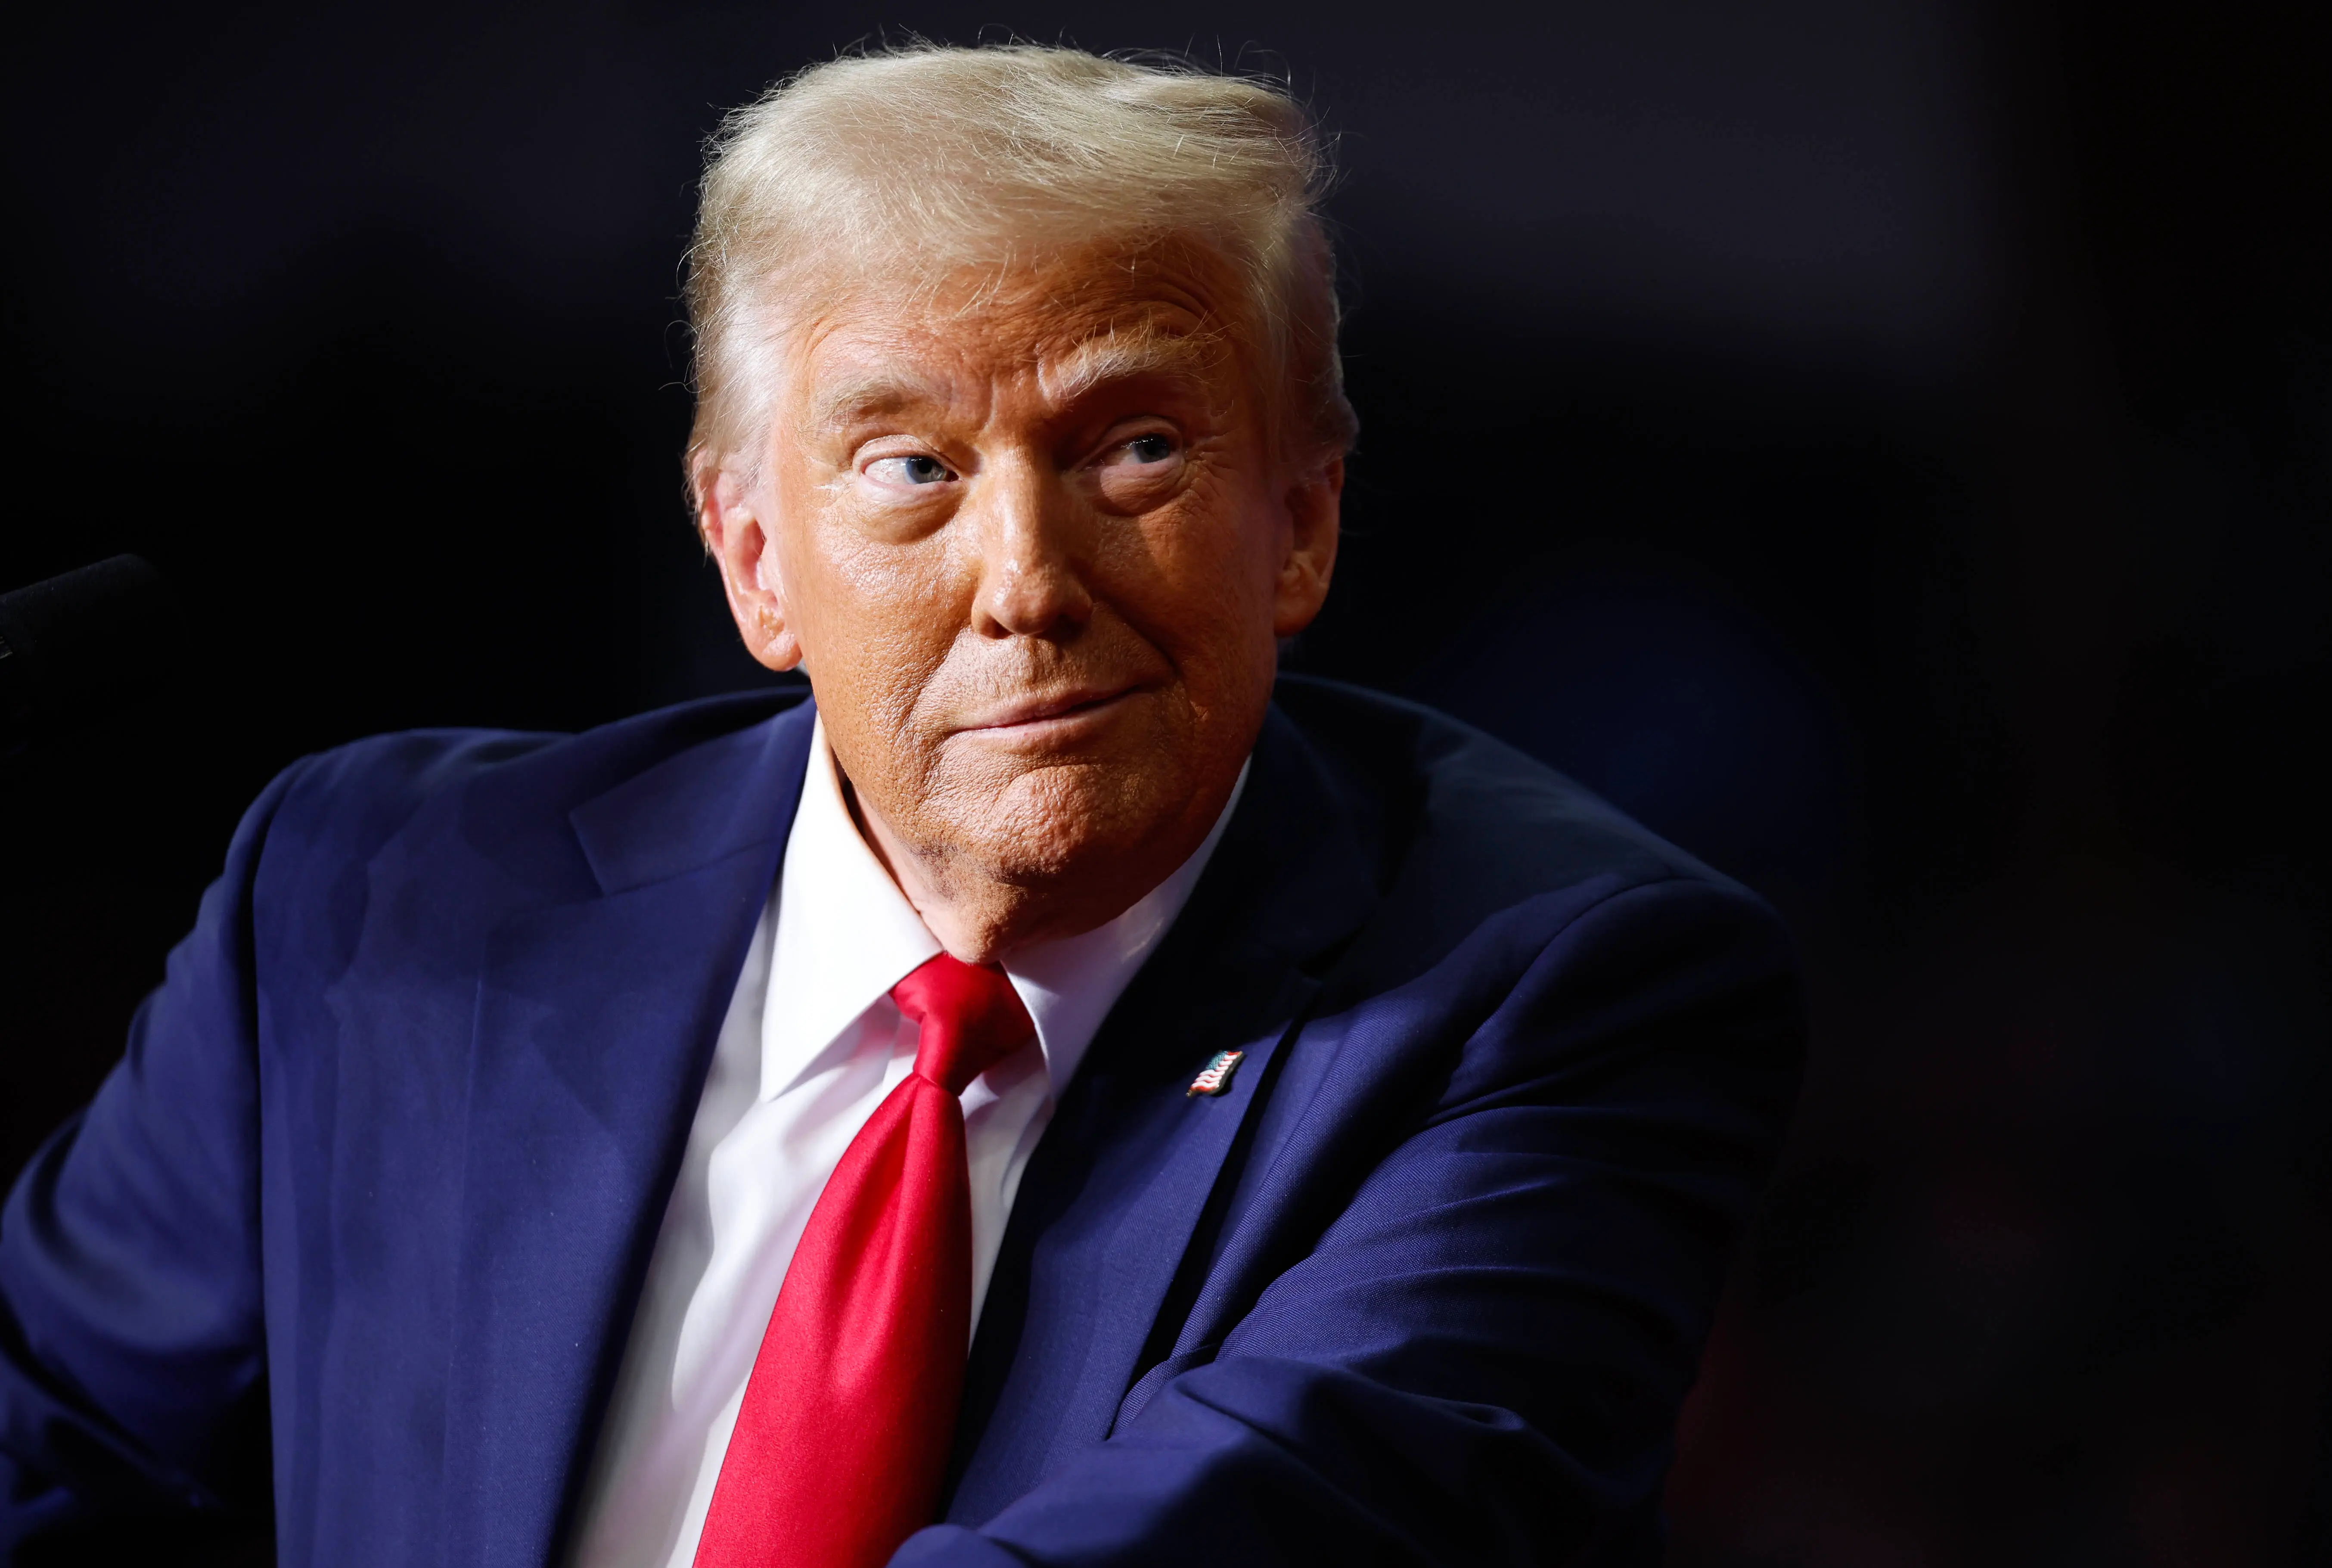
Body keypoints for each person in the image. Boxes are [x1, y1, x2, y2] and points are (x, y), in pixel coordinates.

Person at [0, 44, 1803, 1568]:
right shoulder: (366, 901)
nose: (1025, 581)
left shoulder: (1558, 993)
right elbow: (52, 1458)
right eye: (913, 466)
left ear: (1302, 523)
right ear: (753, 558)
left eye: (1135, 449)